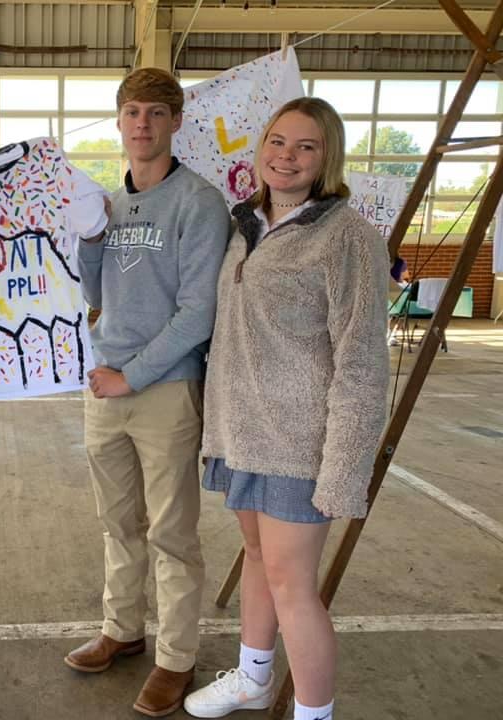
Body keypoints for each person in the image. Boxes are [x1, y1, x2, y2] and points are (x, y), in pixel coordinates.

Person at [184, 97, 390, 720]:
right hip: (243, 433)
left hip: (302, 443)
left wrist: (344, 467)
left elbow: (362, 363)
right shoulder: (247, 224)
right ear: (260, 148)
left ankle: (313, 714)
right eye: (278, 141)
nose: (287, 156)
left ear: (328, 157)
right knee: (256, 558)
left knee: (294, 587)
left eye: (306, 146)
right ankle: (253, 676)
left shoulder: (347, 237)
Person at [65, 67, 230, 717]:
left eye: (155, 113)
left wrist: (132, 375)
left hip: (162, 388)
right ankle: (123, 630)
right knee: (117, 522)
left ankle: (177, 659)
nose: (142, 124)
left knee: (172, 531)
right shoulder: (113, 200)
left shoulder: (199, 202)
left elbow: (198, 311)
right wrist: (90, 236)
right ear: (119, 122)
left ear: (176, 121)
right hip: (105, 386)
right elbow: (97, 296)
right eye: (132, 112)